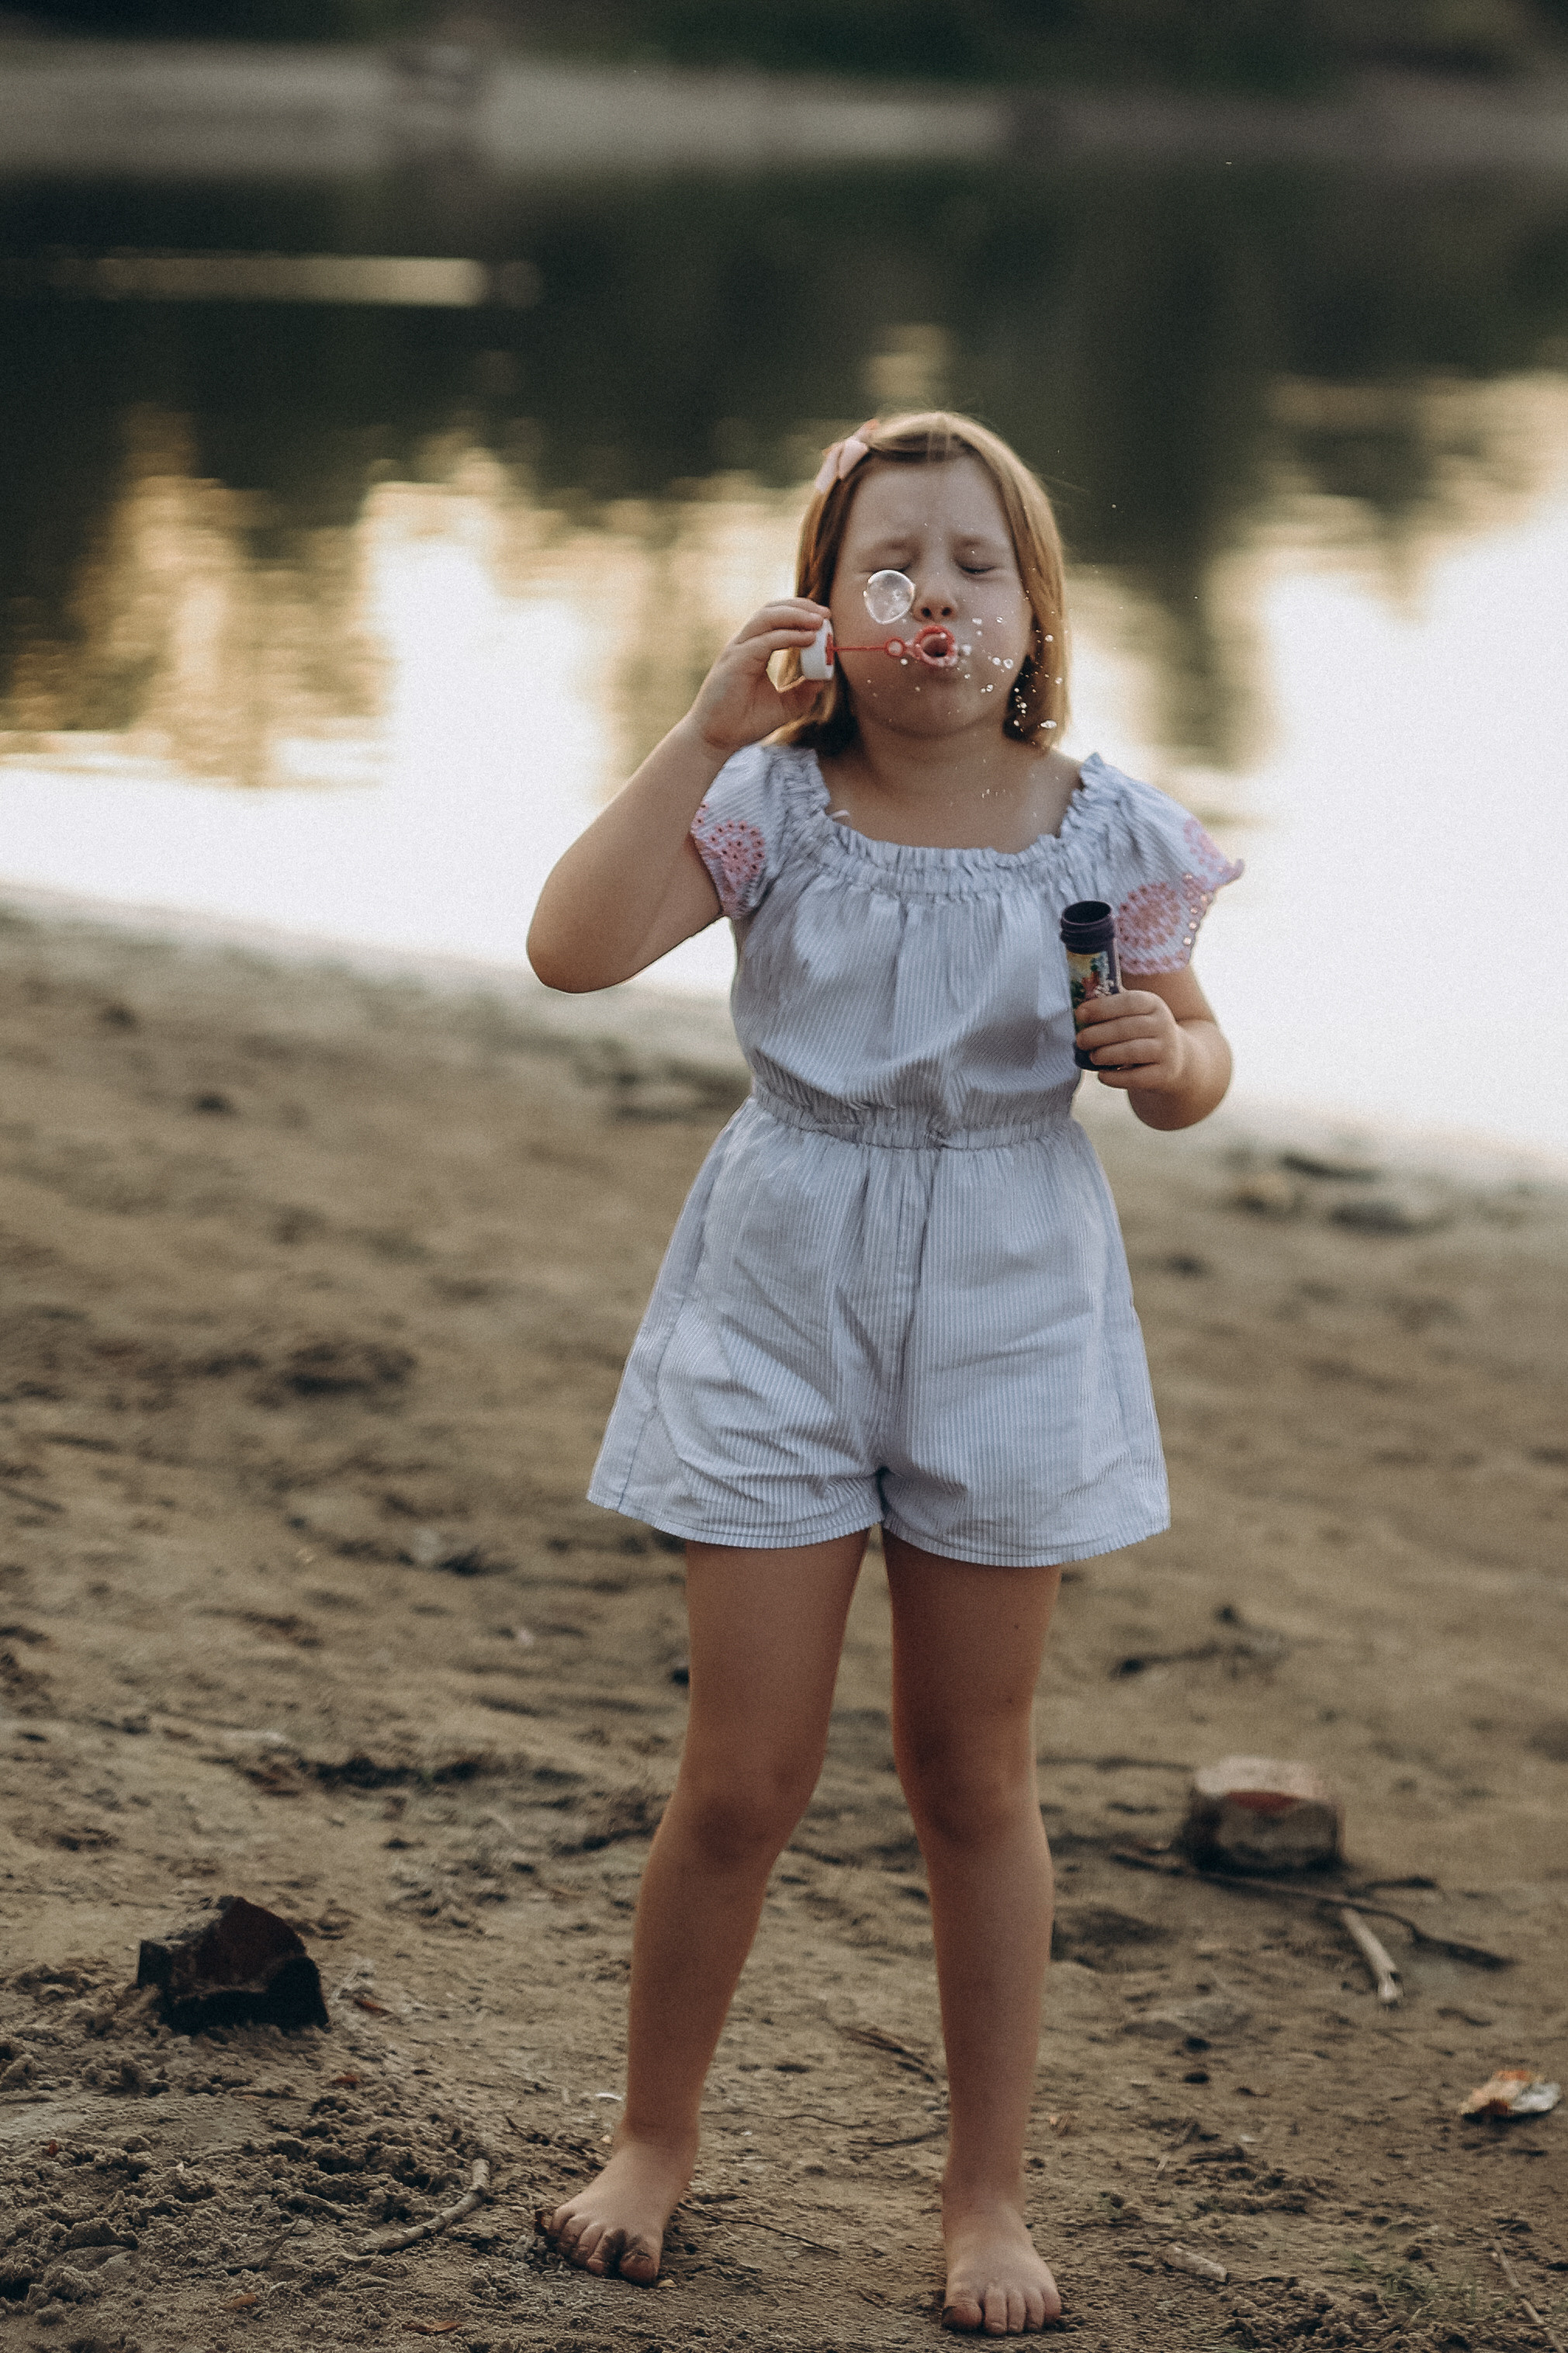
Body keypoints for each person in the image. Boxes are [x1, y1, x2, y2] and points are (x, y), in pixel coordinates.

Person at [526, 412, 1241, 2335]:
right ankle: (654, 2137)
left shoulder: (1108, 829)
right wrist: (698, 733)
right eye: (888, 563)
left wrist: (1165, 1060)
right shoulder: (772, 802)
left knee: (970, 1775)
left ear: (1034, 614)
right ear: (822, 613)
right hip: (784, 1283)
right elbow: (570, 949)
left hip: (1013, 1289)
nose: (935, 594)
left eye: (976, 564)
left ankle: (985, 2192)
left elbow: (1197, 1064)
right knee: (742, 1775)